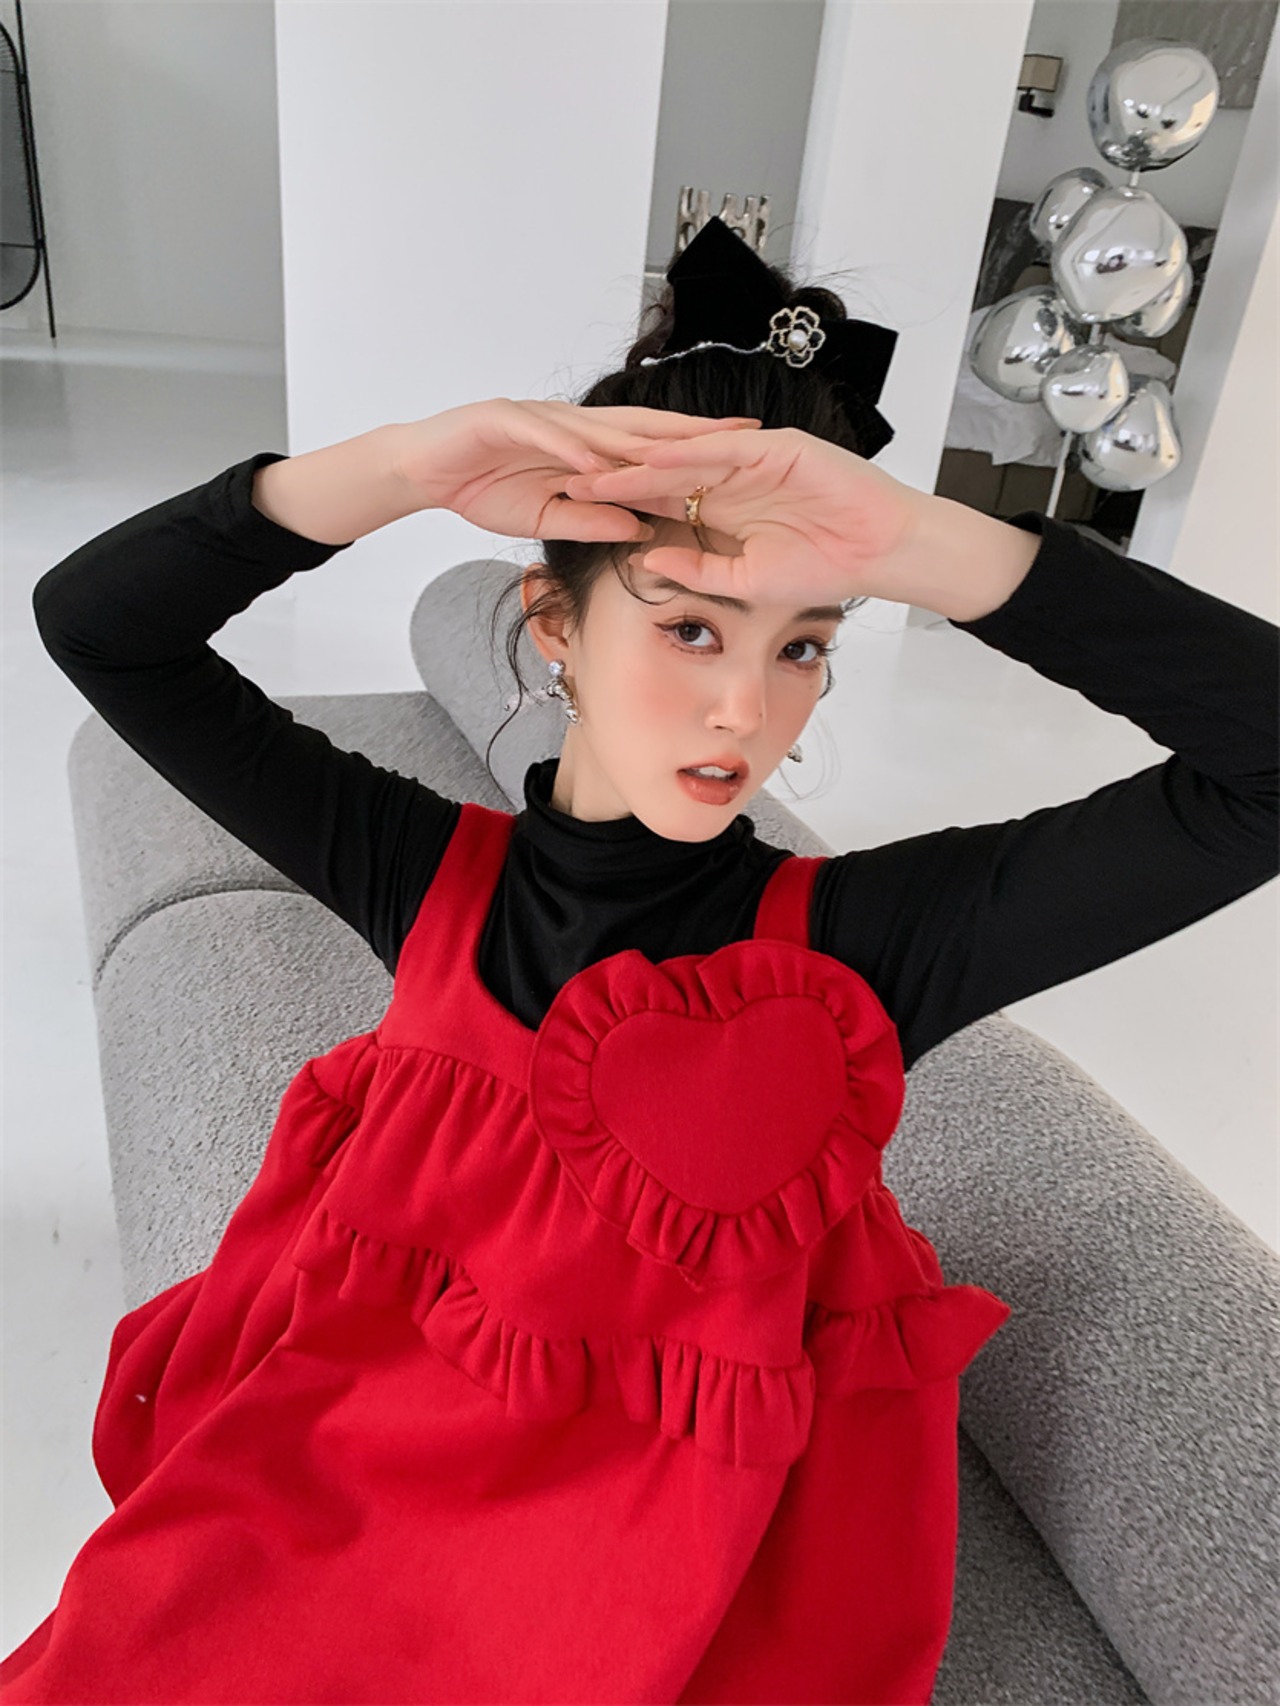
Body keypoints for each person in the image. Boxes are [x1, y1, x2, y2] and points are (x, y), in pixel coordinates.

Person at [2, 216, 1276, 1705]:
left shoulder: (865, 951)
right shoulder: (422, 874)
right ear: (554, 624)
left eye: (803, 645)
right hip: (340, 1475)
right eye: (689, 628)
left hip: (634, 1587)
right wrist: (406, 466)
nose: (746, 711)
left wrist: (929, 543)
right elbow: (99, 627)